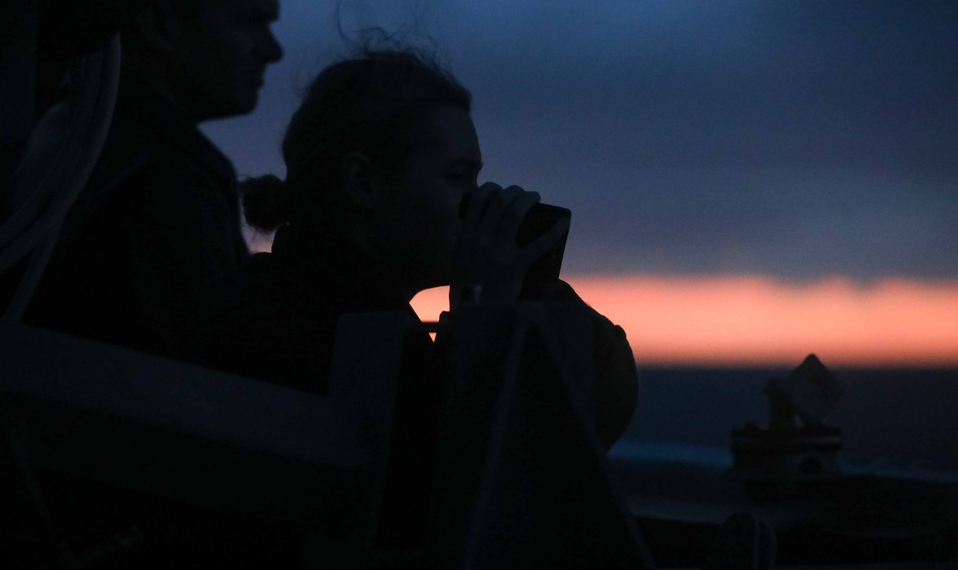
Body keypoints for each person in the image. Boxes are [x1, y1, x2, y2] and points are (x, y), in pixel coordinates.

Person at [193, 49, 639, 448]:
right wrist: (487, 315)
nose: (477, 201)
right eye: (458, 177)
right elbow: (445, 482)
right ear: (364, 183)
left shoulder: (316, 307)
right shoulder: (309, 332)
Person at [19, 0, 296, 354]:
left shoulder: (65, 138)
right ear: (160, 23)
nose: (272, 50)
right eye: (250, 22)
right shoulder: (165, 182)